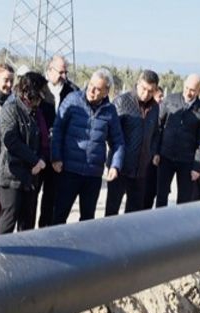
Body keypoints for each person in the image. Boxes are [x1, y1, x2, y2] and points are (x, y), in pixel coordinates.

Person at [50, 68, 125, 224]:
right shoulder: (72, 100)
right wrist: (55, 157)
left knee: (87, 220)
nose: (92, 90)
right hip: (68, 170)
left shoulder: (110, 111)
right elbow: (58, 129)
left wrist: (115, 165)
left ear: (106, 92)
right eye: (91, 85)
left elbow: (117, 141)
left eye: (98, 89)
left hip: (93, 174)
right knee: (59, 215)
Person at [0, 72, 47, 234]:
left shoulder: (35, 112)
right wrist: (34, 161)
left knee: (27, 225)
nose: (42, 97)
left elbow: (41, 140)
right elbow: (11, 141)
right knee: (8, 221)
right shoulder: (11, 109)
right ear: (28, 92)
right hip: (12, 177)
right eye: (39, 93)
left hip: (31, 178)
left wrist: (39, 161)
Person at [104, 70, 159, 216]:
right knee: (112, 209)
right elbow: (111, 134)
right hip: (120, 168)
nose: (146, 94)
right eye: (143, 89)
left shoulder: (155, 107)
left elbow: (155, 133)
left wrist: (152, 152)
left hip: (141, 170)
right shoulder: (122, 102)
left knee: (135, 212)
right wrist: (115, 162)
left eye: (150, 91)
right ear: (137, 84)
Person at [155, 74, 200, 207]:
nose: (188, 92)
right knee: (161, 194)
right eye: (186, 88)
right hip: (165, 157)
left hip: (187, 161)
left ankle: (180, 225)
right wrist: (156, 152)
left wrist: (197, 167)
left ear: (199, 90)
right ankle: (159, 222)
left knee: (184, 199)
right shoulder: (170, 100)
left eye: (192, 90)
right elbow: (158, 127)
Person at [37, 55, 78, 227]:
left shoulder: (72, 92)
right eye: (60, 72)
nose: (63, 75)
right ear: (49, 70)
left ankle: (47, 230)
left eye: (65, 72)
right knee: (32, 197)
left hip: (59, 153)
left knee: (52, 196)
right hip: (38, 151)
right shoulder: (39, 89)